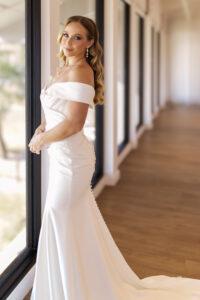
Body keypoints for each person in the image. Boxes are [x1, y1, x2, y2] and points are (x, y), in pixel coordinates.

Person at [28, 15, 200, 300]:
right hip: (59, 157)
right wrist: (43, 126)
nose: (68, 42)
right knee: (67, 220)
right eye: (66, 35)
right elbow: (56, 110)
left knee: (58, 215)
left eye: (77, 37)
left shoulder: (82, 71)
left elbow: (74, 124)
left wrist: (39, 140)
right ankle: (69, 285)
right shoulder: (62, 68)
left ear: (90, 43)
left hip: (72, 161)